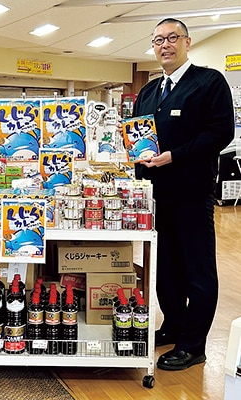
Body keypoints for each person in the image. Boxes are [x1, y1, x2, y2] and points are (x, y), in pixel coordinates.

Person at [130, 18, 234, 370]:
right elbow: (138, 135)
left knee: (198, 271)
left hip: (191, 194)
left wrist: (175, 155)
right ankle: (173, 326)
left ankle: (194, 344)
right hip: (154, 198)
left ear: (187, 42)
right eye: (158, 39)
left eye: (173, 38)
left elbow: (220, 133)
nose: (165, 45)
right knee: (166, 269)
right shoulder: (148, 90)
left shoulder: (209, 82)